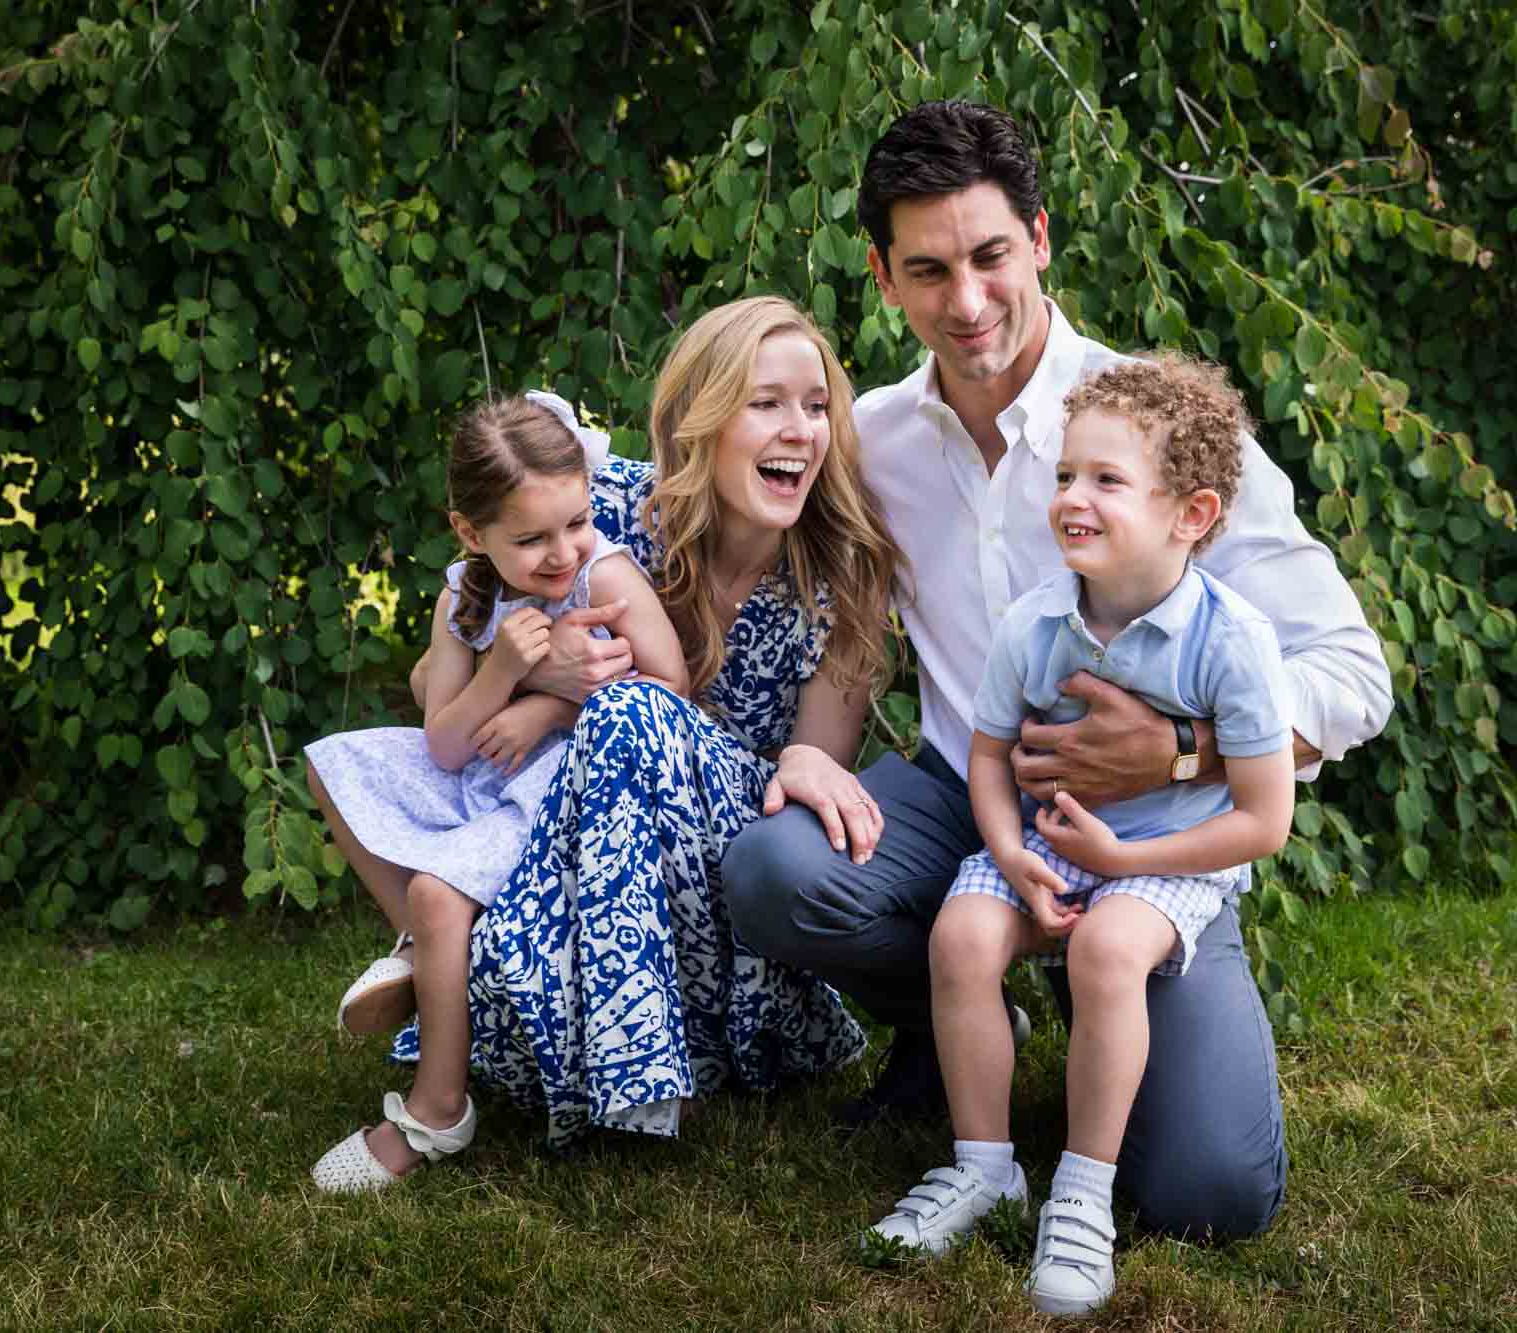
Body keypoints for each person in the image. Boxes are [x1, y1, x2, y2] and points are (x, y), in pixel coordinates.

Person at [722, 101, 1392, 1239]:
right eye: (928, 270)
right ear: (883, 278)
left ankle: (1103, 1004)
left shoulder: (1153, 428)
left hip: (1154, 820)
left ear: (1038, 238)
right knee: (775, 870)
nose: (967, 301)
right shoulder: (875, 439)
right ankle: (959, 1017)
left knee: (1207, 1197)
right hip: (959, 785)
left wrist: (1182, 747)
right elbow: (854, 631)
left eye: (990, 256)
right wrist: (808, 756)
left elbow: (1350, 668)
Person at [338, 295, 903, 1180]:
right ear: (703, 419)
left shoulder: (841, 574)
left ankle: (630, 1062)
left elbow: (809, 771)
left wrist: (584, 701)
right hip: (577, 834)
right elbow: (431, 680)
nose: (799, 429)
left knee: (632, 711)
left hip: (728, 851)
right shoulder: (605, 510)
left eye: (817, 404)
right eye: (766, 403)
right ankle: (453, 968)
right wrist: (540, 680)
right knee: (581, 729)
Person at [868, 356, 1296, 1314]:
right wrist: (1010, 850)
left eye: (1106, 480)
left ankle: (1082, 1193)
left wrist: (1124, 862)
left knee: (1107, 948)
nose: (1073, 498)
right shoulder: (1038, 623)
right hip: (1050, 839)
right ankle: (984, 1168)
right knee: (963, 932)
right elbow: (986, 758)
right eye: (1066, 475)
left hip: (1168, 859)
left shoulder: (1230, 640)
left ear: (1191, 514)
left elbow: (1264, 822)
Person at [308, 392, 688, 1192]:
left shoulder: (601, 573)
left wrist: (548, 706)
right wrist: (504, 671)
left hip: (560, 786)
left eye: (575, 522)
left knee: (441, 896)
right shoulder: (462, 596)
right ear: (470, 533)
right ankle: (414, 949)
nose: (561, 551)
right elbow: (444, 741)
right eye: (531, 538)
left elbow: (670, 684)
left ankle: (437, 1109)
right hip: (478, 772)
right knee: (333, 763)